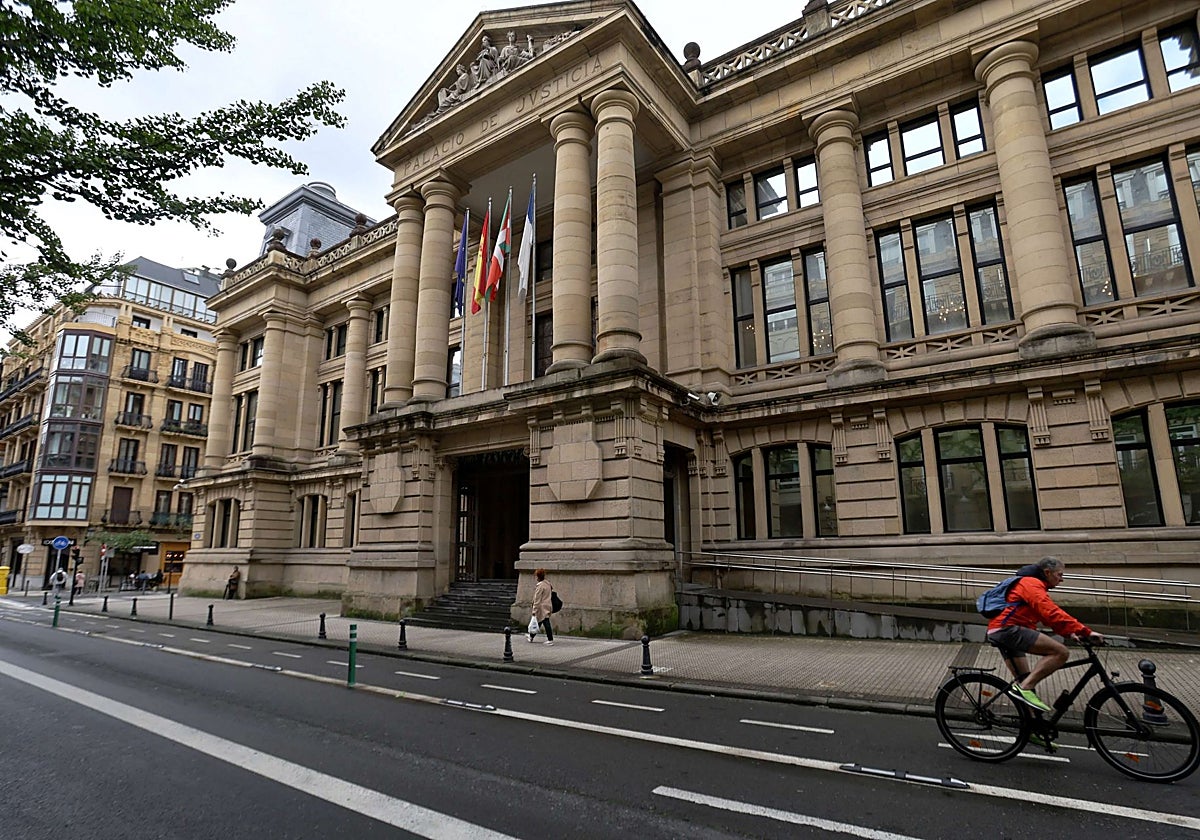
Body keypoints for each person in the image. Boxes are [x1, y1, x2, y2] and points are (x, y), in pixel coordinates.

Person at [987, 556, 1103, 713]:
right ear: (1047, 572)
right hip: (1008, 629)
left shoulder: (1032, 585)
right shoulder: (1030, 583)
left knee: (1025, 681)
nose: (1061, 580)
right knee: (1060, 652)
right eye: (1059, 575)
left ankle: (1032, 730)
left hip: (1004, 630)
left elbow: (1045, 617)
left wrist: (1071, 632)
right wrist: (1086, 631)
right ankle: (1025, 688)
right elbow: (1051, 612)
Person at [529, 568, 554, 645]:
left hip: (542, 607)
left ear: (538, 576)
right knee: (539, 622)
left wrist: (534, 610)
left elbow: (537, 599)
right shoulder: (548, 584)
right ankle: (531, 636)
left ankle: (550, 639)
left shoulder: (540, 586)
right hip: (548, 605)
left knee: (545, 622)